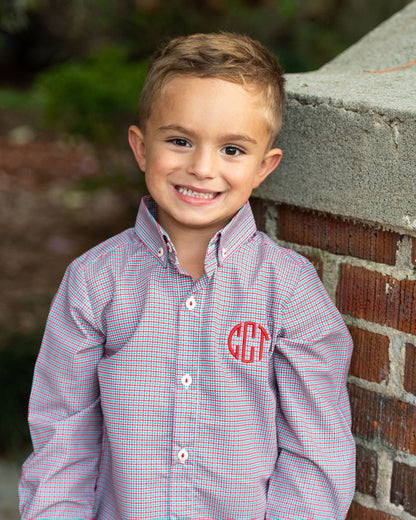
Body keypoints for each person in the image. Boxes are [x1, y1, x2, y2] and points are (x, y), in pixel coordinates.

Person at [19, 32, 355, 520]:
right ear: (140, 147)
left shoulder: (290, 290)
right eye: (179, 141)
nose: (201, 167)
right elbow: (63, 443)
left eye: (232, 150)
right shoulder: (95, 281)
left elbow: (317, 455)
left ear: (264, 167)